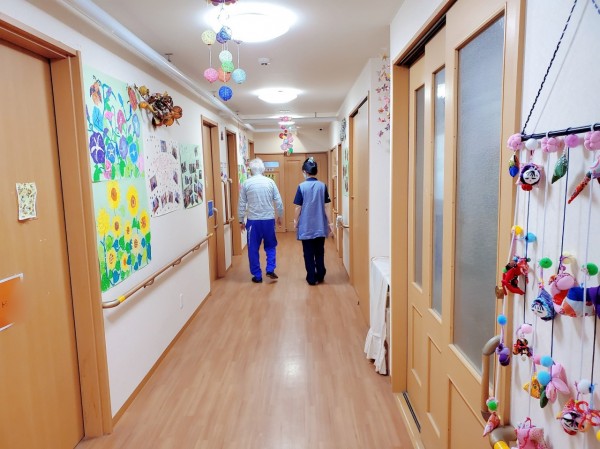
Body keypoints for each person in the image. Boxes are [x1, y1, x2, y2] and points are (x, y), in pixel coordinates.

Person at [238, 158, 284, 283]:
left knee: (253, 248)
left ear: (251, 170)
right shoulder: (270, 182)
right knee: (271, 245)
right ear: (263, 169)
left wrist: (241, 220)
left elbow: (241, 203)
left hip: (253, 222)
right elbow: (278, 201)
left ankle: (257, 276)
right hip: (268, 220)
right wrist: (280, 216)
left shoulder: (246, 184)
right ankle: (270, 269)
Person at [293, 157, 334, 285]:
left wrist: (295, 221)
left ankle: (311, 277)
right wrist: (330, 223)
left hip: (306, 227)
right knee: (319, 251)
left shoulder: (301, 187)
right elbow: (326, 206)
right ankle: (320, 274)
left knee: (308, 253)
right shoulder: (322, 186)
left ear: (305, 172)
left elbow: (298, 207)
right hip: (320, 226)